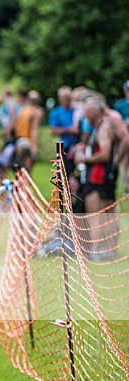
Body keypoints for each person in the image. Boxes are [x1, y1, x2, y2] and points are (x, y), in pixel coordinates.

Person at [74, 98, 119, 260]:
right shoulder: (100, 128)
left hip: (98, 179)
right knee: (106, 216)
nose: (85, 113)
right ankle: (107, 250)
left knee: (95, 216)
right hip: (103, 178)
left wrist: (85, 159)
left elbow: (105, 153)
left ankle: (95, 250)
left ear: (96, 111)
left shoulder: (103, 128)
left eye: (87, 110)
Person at [8, 90, 43, 172]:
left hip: (18, 140)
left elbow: (13, 126)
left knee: (19, 167)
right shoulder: (36, 112)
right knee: (27, 166)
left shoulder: (21, 110)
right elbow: (34, 130)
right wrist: (34, 147)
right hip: (27, 141)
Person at [48, 86, 79, 179]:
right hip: (66, 148)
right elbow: (53, 130)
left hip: (79, 146)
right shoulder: (56, 113)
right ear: (60, 98)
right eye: (65, 98)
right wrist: (69, 130)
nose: (67, 100)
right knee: (66, 175)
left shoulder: (77, 110)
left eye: (69, 97)